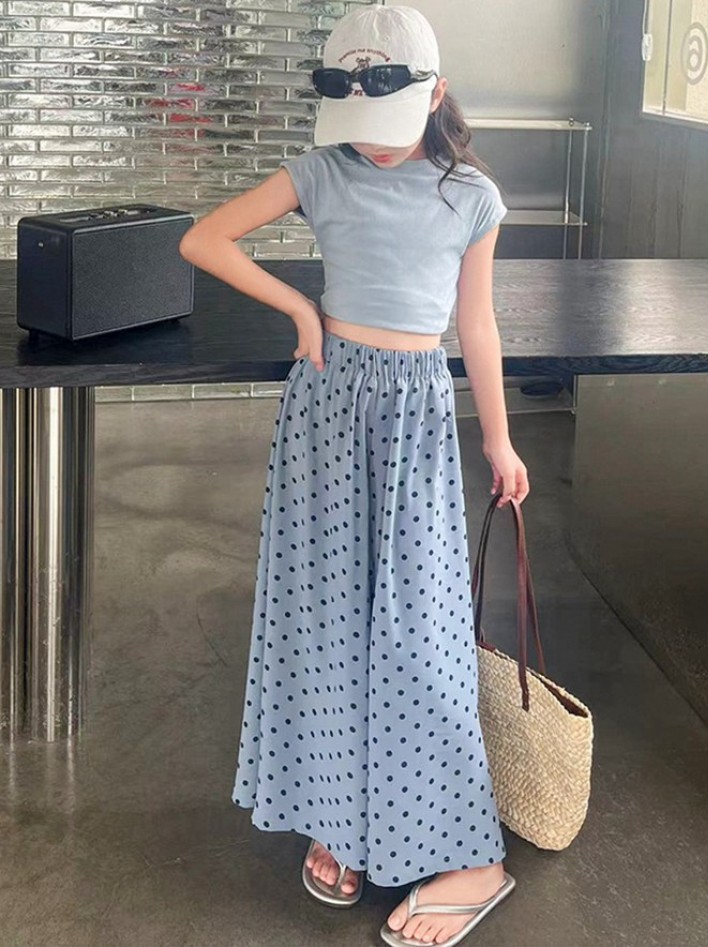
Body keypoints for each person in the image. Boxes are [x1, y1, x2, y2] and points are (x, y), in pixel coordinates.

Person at [179, 5, 530, 946]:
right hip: (327, 413)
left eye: (390, 121)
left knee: (421, 634)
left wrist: (499, 442)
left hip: (416, 418)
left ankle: (469, 855)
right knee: (326, 621)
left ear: (436, 95)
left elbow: (478, 326)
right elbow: (204, 239)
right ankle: (339, 818)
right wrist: (300, 309)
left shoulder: (472, 195)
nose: (372, 143)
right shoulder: (320, 171)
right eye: (359, 124)